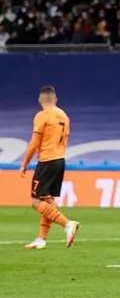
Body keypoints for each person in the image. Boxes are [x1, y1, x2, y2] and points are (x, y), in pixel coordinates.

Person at [20, 85, 79, 250]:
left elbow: (34, 143)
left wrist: (24, 163)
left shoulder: (42, 116)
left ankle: (67, 224)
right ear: (55, 99)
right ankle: (41, 239)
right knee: (48, 200)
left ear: (40, 100)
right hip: (60, 160)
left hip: (47, 160)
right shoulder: (64, 115)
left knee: (36, 201)